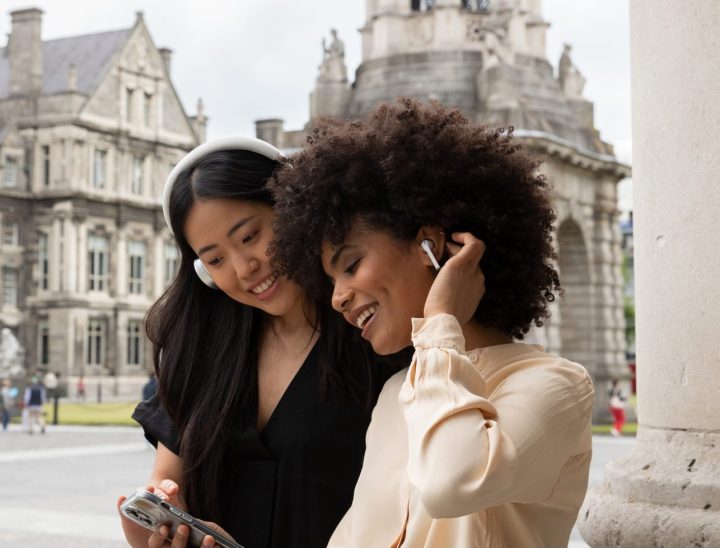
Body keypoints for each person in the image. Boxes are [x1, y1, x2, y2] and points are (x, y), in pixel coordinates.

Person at [270, 98, 595, 547]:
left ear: (430, 245)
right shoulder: (397, 393)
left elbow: (452, 482)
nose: (338, 298)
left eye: (351, 264)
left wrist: (441, 320)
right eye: (329, 281)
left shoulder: (557, 386)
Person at [117, 137, 403, 548]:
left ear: (294, 212)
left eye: (250, 236)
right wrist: (156, 528)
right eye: (215, 259)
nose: (243, 267)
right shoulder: (200, 352)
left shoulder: (378, 340)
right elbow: (165, 485)